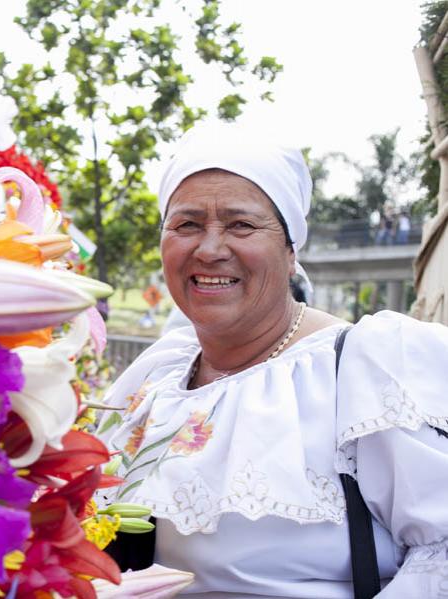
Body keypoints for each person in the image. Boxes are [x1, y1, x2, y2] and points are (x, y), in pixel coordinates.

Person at [96, 122, 448, 598]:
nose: (211, 248)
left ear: (290, 247)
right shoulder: (158, 374)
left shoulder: (362, 367)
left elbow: (440, 552)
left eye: (241, 224)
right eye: (187, 224)